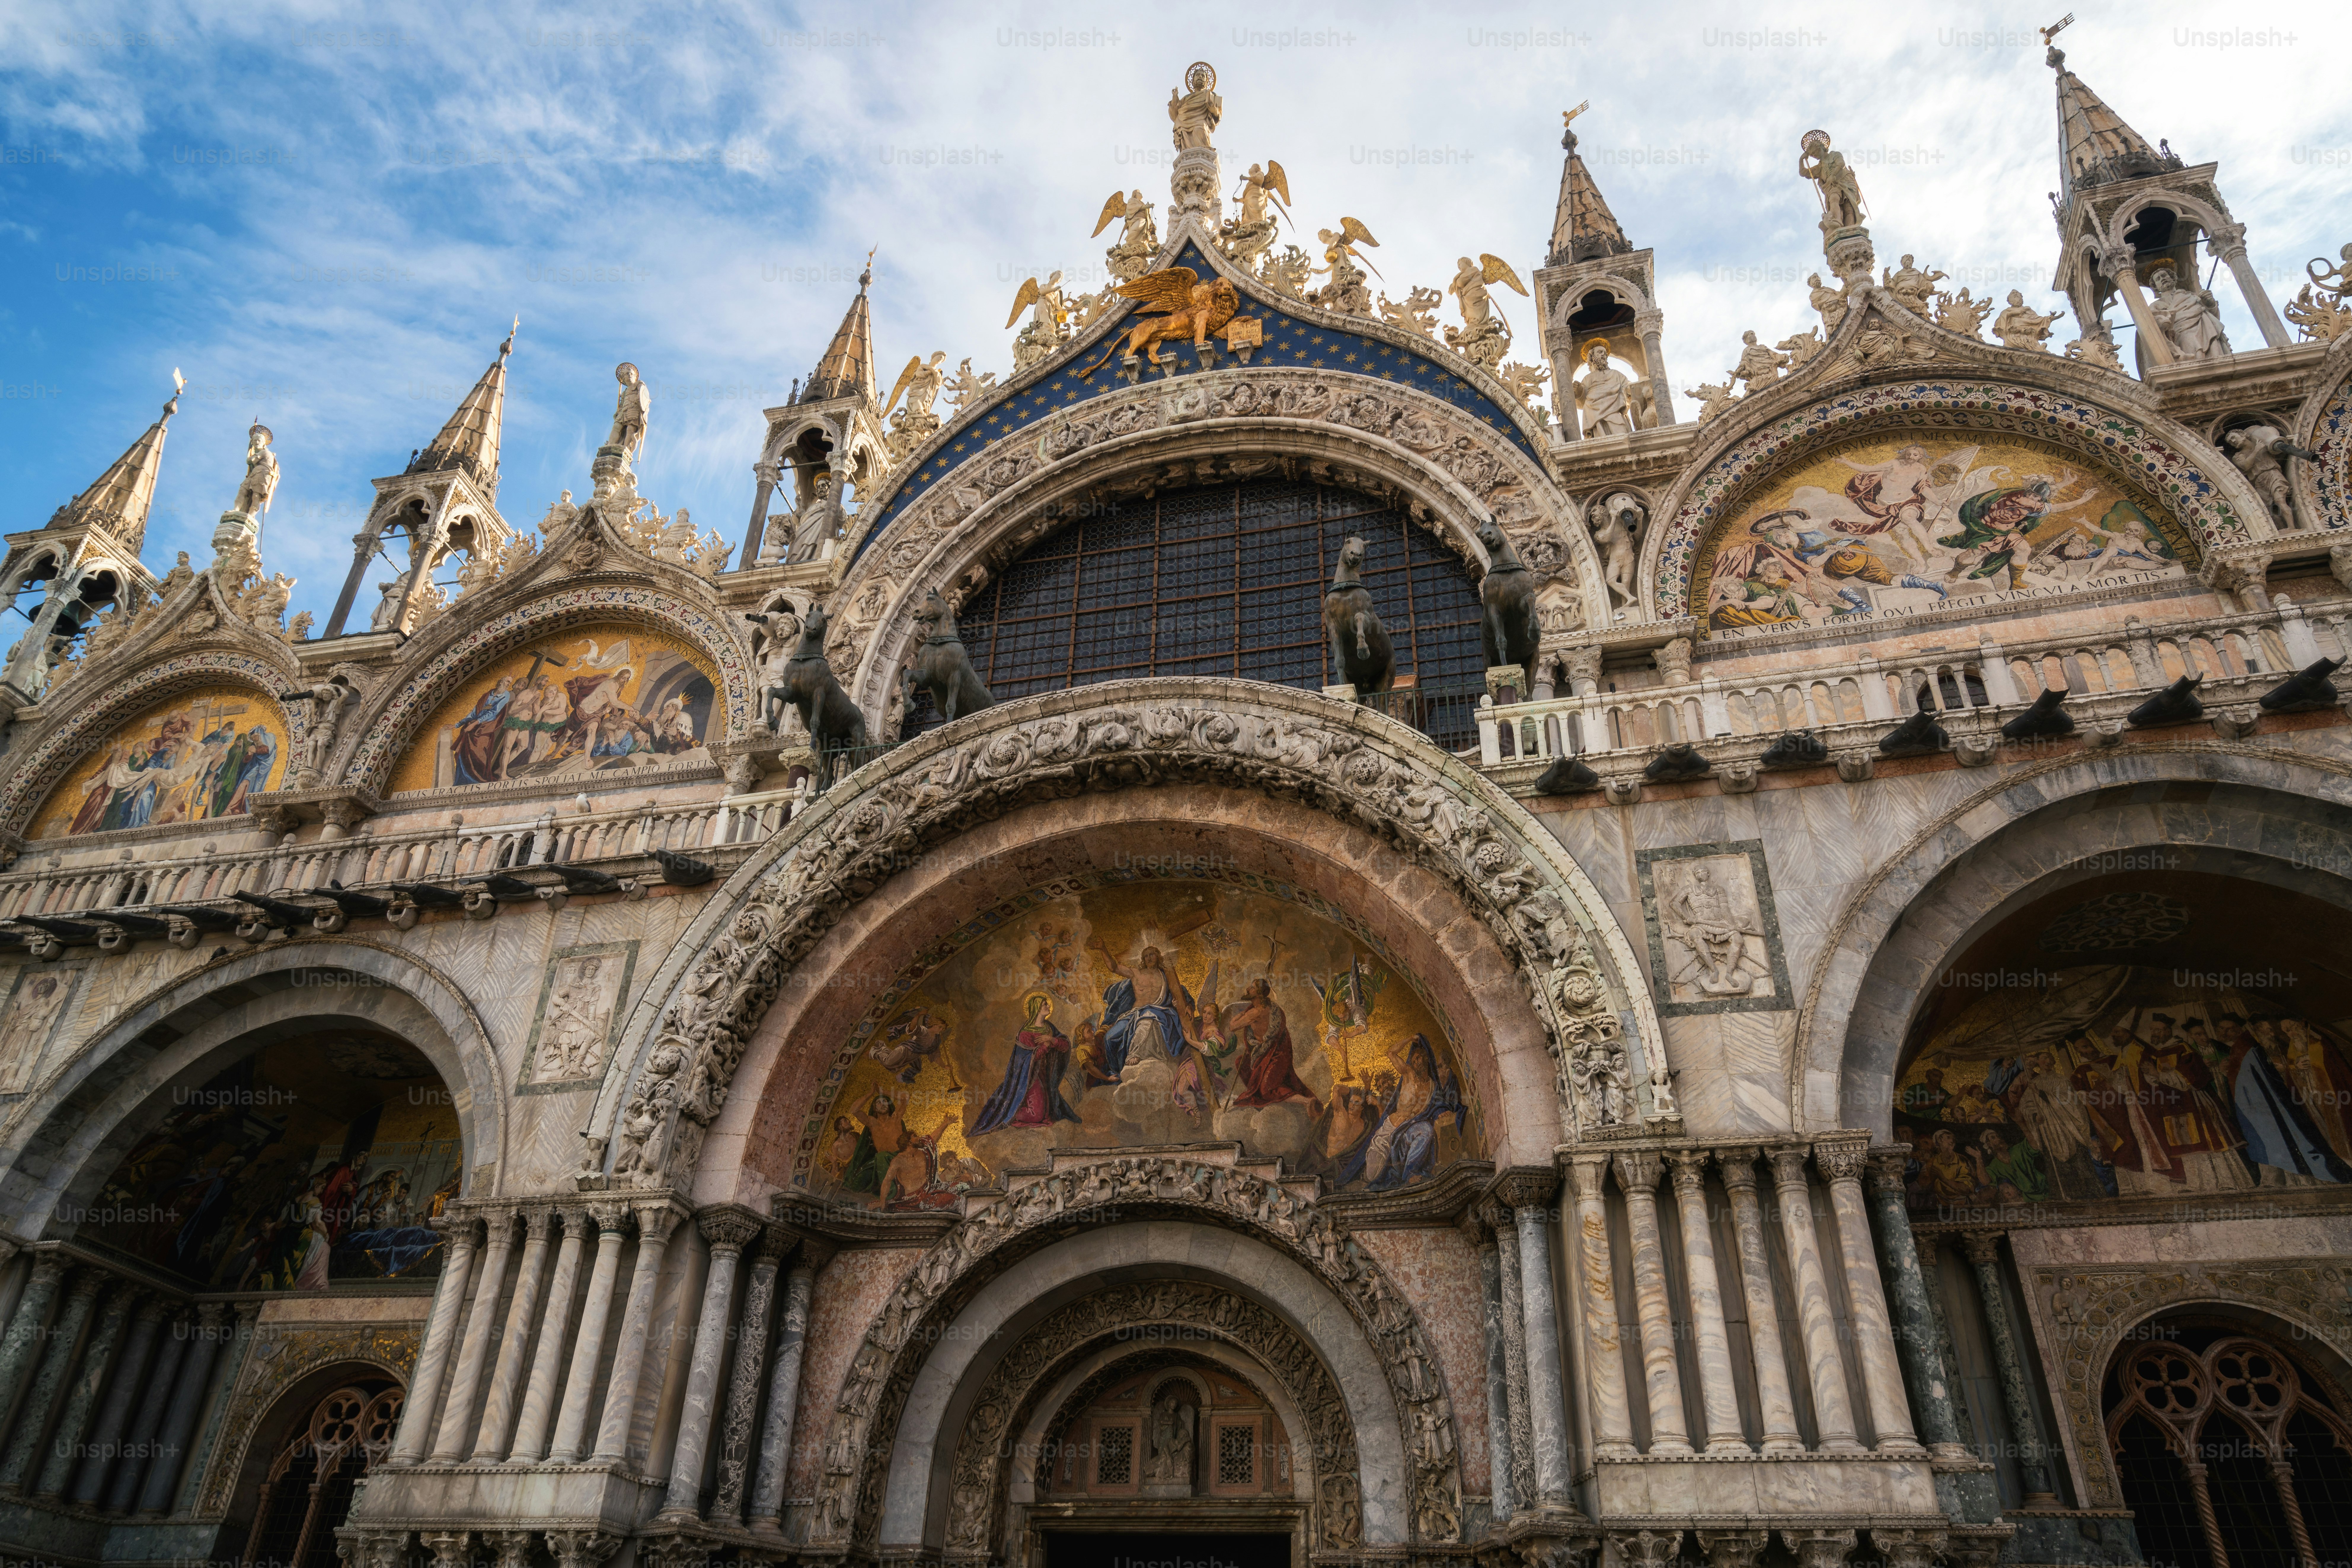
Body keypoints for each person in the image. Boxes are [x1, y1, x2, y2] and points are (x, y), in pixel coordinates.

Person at [969, 994, 1081, 1135]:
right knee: (1037, 1115)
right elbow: (1031, 1058)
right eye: (1045, 1005)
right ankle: (1009, 1113)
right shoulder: (1025, 1034)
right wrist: (1046, 1045)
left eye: (1047, 1004)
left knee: (1050, 1112)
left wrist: (1053, 1040)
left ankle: (1013, 1110)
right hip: (1029, 1078)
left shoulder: (1050, 1029)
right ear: (1037, 1009)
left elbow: (1065, 1046)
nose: (1048, 1006)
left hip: (1046, 1076)